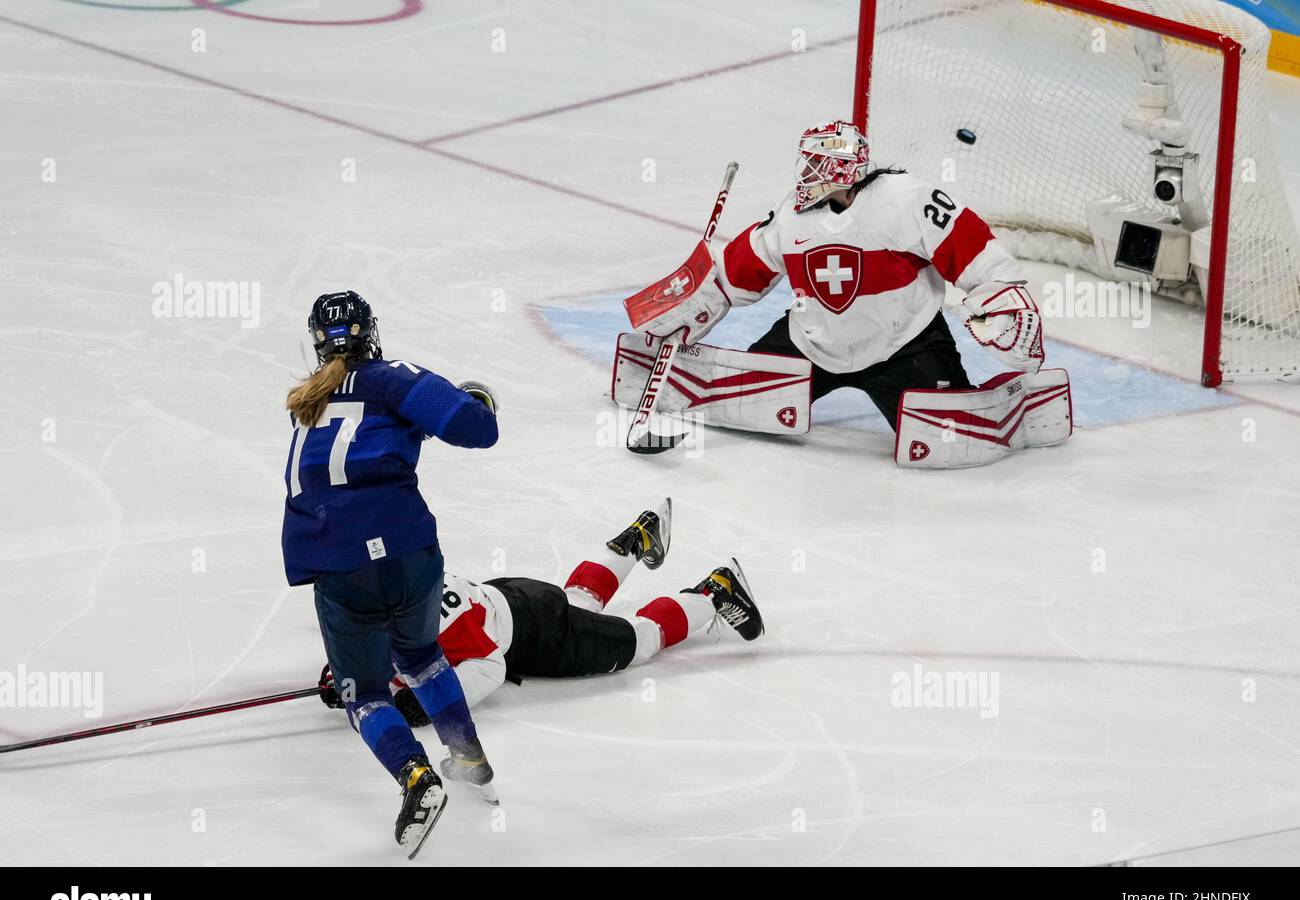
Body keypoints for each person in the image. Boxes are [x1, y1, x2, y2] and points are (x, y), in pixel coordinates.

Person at [318, 500, 764, 798]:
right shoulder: (402, 585)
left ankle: (714, 592)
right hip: (511, 595)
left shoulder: (412, 620)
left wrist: (414, 704)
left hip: (537, 633)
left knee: (638, 641)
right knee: (579, 602)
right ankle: (636, 540)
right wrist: (349, 672)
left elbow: (488, 667)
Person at [633, 119, 1049, 435]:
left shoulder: (906, 200)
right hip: (813, 342)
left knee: (949, 434)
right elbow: (741, 270)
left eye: (816, 164)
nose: (805, 173)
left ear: (841, 170)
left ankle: (1009, 400)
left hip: (905, 345)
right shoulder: (792, 216)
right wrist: (698, 302)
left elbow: (972, 247)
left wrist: (1002, 299)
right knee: (740, 403)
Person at [281, 289, 499, 859]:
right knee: (422, 656)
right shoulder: (392, 376)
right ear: (370, 331)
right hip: (408, 551)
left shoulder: (307, 402)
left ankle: (416, 778)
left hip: (339, 564)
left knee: (368, 697)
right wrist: (470, 401)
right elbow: (477, 428)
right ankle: (468, 757)